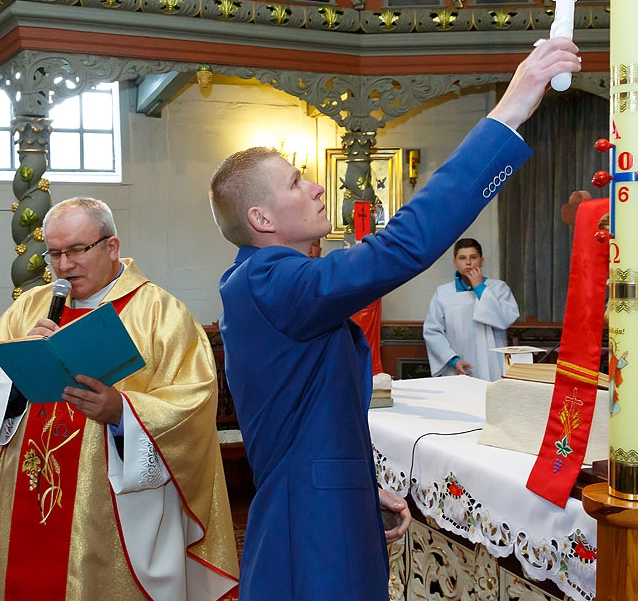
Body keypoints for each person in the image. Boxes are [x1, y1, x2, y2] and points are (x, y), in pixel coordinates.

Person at [209, 36, 580, 599]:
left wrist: (357, 485)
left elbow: (309, 413)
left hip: (322, 502)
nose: (314, 185)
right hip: (309, 528)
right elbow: (402, 247)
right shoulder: (272, 280)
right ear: (261, 217)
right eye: (294, 182)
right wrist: (509, 112)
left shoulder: (257, 281)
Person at [0, 197, 238, 601]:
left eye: (76, 250)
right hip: (28, 488)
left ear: (111, 247)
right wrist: (14, 371)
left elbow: (192, 401)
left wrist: (122, 411)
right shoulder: (30, 308)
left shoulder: (160, 313)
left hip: (111, 507)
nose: (63, 265)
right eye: (54, 253)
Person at [423, 238, 519, 381]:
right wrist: (452, 360)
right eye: (462, 258)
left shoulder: (499, 288)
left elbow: (506, 319)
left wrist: (480, 288)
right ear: (455, 262)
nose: (468, 262)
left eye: (473, 257)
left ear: (481, 261)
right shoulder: (443, 293)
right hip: (459, 365)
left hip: (493, 364)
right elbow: (432, 331)